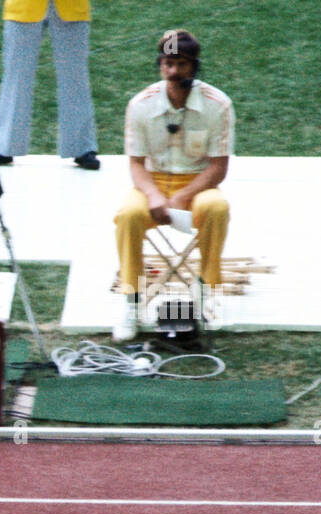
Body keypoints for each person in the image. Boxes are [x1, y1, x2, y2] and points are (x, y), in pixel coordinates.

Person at [113, 29, 233, 340]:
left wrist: (182, 196)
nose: (173, 71)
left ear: (194, 66)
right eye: (167, 63)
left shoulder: (217, 104)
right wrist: (153, 195)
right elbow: (136, 164)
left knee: (217, 208)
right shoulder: (140, 104)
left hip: (197, 185)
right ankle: (132, 298)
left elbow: (218, 168)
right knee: (128, 215)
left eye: (180, 63)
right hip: (152, 184)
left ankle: (205, 289)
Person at [0, 1, 100, 171]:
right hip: (23, 7)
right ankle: (3, 147)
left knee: (76, 80)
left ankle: (82, 149)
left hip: (73, 7)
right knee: (15, 78)